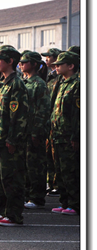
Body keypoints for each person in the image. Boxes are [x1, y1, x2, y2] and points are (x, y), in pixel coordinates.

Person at [0, 46, 29, 227]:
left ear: (10, 61)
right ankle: (3, 212)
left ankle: (14, 214)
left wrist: (13, 139)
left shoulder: (16, 84)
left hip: (8, 140)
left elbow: (19, 116)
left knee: (11, 178)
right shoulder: (2, 83)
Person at [50, 51, 81, 216]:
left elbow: (78, 114)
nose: (56, 67)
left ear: (71, 66)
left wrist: (76, 136)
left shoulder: (78, 84)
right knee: (60, 171)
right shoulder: (60, 83)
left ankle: (75, 204)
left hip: (69, 136)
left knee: (71, 171)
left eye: (60, 64)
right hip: (57, 134)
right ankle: (65, 202)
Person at [19, 51, 51, 210]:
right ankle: (26, 194)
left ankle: (36, 197)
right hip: (23, 130)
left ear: (33, 64)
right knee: (25, 165)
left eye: (24, 62)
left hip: (34, 130)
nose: (21, 65)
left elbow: (43, 110)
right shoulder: (24, 82)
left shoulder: (39, 84)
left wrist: (37, 131)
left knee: (35, 165)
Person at [41, 48, 62, 197]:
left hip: (58, 122)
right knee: (49, 155)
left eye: (49, 57)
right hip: (49, 120)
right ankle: (52, 183)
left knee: (57, 157)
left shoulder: (60, 78)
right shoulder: (50, 76)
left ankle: (57, 184)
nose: (47, 60)